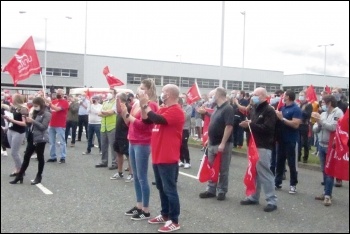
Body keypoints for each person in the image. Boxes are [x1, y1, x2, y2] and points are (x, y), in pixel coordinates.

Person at [140, 84, 184, 233]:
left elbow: (157, 119)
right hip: (158, 155)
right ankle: (165, 214)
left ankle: (174, 220)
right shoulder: (163, 108)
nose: (161, 94)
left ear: (170, 94)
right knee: (161, 187)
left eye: (164, 92)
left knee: (170, 189)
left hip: (168, 156)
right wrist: (142, 105)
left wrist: (146, 104)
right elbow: (147, 120)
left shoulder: (176, 111)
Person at [122, 78, 159, 220]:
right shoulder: (137, 103)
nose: (140, 90)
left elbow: (144, 125)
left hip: (143, 142)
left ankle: (146, 209)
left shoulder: (152, 105)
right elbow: (129, 123)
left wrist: (129, 116)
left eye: (143, 88)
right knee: (136, 176)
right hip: (132, 139)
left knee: (142, 176)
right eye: (140, 87)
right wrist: (125, 112)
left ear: (149, 90)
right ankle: (138, 205)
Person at [239, 87, 278, 212]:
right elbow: (253, 127)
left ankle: (271, 200)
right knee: (254, 172)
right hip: (253, 144)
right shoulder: (254, 109)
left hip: (263, 145)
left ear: (262, 96)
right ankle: (253, 196)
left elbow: (267, 128)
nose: (252, 97)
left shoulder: (269, 110)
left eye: (255, 95)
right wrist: (246, 126)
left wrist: (250, 124)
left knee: (265, 173)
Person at [199, 87, 234, 201]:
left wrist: (223, 143)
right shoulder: (216, 108)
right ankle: (211, 189)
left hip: (222, 143)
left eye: (211, 95)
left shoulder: (228, 108)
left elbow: (228, 126)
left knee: (223, 169)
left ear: (218, 95)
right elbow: (214, 123)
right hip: (212, 143)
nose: (210, 98)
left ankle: (222, 190)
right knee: (211, 167)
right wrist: (209, 138)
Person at [9, 97, 51, 185]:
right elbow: (30, 125)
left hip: (41, 138)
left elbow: (43, 127)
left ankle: (39, 176)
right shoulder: (34, 112)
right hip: (32, 136)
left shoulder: (47, 113)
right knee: (26, 156)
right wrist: (28, 121)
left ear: (41, 104)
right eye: (34, 105)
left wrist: (33, 121)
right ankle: (19, 175)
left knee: (40, 157)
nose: (35, 107)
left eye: (36, 105)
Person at [312, 95, 343, 206]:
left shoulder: (338, 113)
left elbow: (334, 127)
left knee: (329, 171)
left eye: (324, 103)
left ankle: (327, 195)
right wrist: (318, 123)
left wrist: (321, 122)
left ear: (329, 103)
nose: (322, 105)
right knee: (324, 170)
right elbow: (315, 128)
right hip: (321, 144)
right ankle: (326, 191)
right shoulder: (323, 114)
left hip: (331, 146)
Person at [275, 90, 302, 194]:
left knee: (292, 163)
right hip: (281, 139)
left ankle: (293, 184)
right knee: (279, 162)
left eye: (284, 95)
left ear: (289, 97)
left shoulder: (296, 109)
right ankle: (277, 182)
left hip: (291, 140)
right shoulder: (282, 107)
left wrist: (282, 119)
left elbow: (295, 124)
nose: (283, 97)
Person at [110, 92, 133, 182]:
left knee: (128, 155)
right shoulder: (118, 109)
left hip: (125, 135)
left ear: (120, 99)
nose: (115, 100)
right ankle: (120, 172)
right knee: (119, 153)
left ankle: (131, 174)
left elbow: (128, 121)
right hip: (118, 134)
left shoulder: (128, 108)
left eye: (117, 99)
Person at [3, 94, 28, 176]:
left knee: (14, 152)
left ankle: (20, 169)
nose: (11, 100)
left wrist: (12, 120)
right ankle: (17, 167)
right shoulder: (13, 108)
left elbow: (24, 123)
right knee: (13, 151)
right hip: (11, 129)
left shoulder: (23, 109)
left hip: (19, 131)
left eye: (13, 98)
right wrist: (7, 118)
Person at [95, 88, 117, 170]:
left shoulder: (115, 102)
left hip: (112, 126)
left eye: (111, 92)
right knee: (103, 145)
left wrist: (105, 112)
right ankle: (104, 161)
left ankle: (115, 163)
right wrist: (106, 112)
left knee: (112, 146)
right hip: (103, 127)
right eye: (109, 92)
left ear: (114, 94)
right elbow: (99, 113)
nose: (109, 94)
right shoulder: (105, 102)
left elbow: (112, 112)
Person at [331, 87, 348, 187]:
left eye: (335, 92)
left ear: (340, 94)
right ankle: (329, 176)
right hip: (332, 131)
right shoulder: (331, 104)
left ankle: (339, 178)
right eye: (332, 92)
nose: (333, 94)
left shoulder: (344, 105)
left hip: (341, 133)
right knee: (331, 155)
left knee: (339, 155)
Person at [47, 89, 69, 164]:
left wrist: (50, 104)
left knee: (62, 142)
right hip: (52, 123)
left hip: (60, 124)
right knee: (52, 141)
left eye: (60, 93)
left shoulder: (65, 102)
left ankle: (63, 157)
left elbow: (57, 109)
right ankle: (53, 156)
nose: (58, 94)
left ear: (63, 94)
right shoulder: (54, 101)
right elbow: (50, 110)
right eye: (57, 93)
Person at [297, 91, 312, 163]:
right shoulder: (298, 104)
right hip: (298, 124)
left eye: (302, 95)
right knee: (298, 141)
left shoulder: (308, 105)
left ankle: (305, 157)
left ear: (305, 96)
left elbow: (308, 115)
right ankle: (298, 156)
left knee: (305, 142)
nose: (301, 96)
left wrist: (301, 111)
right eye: (300, 95)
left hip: (304, 125)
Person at [178, 94, 192, 169]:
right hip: (178, 129)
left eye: (183, 97)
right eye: (181, 98)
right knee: (179, 145)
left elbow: (185, 117)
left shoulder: (189, 107)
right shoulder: (177, 106)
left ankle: (187, 161)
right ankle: (181, 160)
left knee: (184, 144)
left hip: (185, 128)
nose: (182, 99)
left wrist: (181, 109)